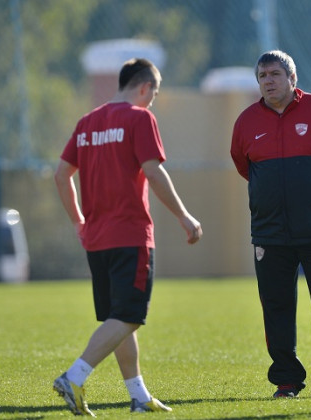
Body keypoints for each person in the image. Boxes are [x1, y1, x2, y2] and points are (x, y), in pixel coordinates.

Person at [53, 57, 203, 416]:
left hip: (97, 239)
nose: (152, 100)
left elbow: (61, 175)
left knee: (119, 319)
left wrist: (78, 221)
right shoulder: (140, 117)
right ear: (145, 87)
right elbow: (154, 172)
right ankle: (74, 376)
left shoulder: (87, 123)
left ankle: (138, 396)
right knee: (130, 316)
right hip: (130, 234)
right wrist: (184, 215)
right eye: (154, 92)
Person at [230, 50, 311, 399]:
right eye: (262, 76)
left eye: (274, 74)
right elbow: (245, 166)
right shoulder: (245, 122)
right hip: (270, 233)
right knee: (277, 308)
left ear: (292, 78)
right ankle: (286, 380)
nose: (268, 81)